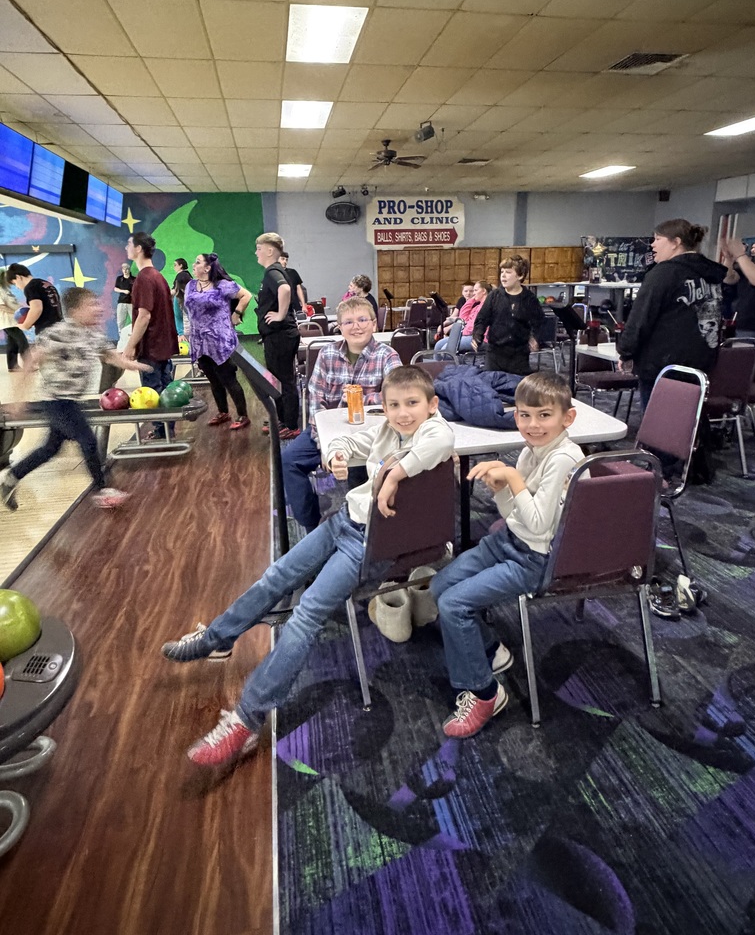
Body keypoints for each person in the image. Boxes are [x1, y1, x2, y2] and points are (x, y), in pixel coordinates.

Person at [160, 365, 454, 769]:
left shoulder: (434, 432)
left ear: (431, 405)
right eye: (394, 405)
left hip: (371, 545)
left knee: (306, 614)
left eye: (413, 404)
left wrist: (393, 474)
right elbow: (356, 439)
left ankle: (247, 719)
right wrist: (337, 453)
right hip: (345, 523)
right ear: (383, 407)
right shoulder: (388, 429)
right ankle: (217, 637)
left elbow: (438, 444)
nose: (404, 413)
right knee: (275, 577)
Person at [431, 372, 583, 738]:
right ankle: (491, 648)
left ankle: (485, 694)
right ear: (514, 416)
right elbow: (514, 516)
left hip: (535, 560)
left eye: (544, 415)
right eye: (525, 415)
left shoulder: (562, 459)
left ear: (567, 418)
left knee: (452, 605)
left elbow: (535, 524)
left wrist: (512, 478)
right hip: (511, 542)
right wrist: (504, 487)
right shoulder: (535, 451)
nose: (533, 425)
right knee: (440, 584)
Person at [0, 287, 150, 512]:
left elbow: (109, 356)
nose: (98, 308)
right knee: (88, 441)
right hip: (56, 401)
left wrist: (132, 364)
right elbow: (31, 359)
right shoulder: (58, 333)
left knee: (51, 449)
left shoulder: (94, 334)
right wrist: (18, 400)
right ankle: (102, 490)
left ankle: (11, 478)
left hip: (71, 400)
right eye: (92, 304)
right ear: (76, 310)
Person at [282, 296, 402, 531]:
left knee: (360, 471)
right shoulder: (328, 355)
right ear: (340, 327)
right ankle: (312, 524)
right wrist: (324, 445)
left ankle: (363, 529)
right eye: (348, 322)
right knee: (289, 461)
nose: (356, 326)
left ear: (374, 324)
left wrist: (360, 399)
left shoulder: (387, 356)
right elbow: (316, 401)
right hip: (327, 433)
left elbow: (397, 397)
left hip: (369, 436)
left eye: (362, 320)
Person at [618, 220, 727, 407]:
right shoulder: (711, 274)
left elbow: (641, 319)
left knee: (659, 428)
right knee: (686, 424)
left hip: (664, 366)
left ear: (675, 242)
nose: (652, 244)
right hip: (702, 362)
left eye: (658, 239)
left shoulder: (664, 273)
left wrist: (625, 352)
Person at [185, 253, 252, 430]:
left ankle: (243, 415)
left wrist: (236, 314)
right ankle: (223, 412)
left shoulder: (223, 285)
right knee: (212, 379)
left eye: (197, 262)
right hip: (200, 341)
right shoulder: (191, 285)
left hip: (220, 340)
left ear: (207, 268)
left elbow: (246, 296)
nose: (193, 264)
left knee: (228, 378)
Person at [122, 232, 179, 437]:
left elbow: (144, 316)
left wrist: (130, 345)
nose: (126, 248)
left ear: (138, 249)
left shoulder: (144, 279)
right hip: (163, 346)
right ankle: (167, 430)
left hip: (152, 348)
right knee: (164, 389)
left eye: (129, 244)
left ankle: (162, 431)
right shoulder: (158, 276)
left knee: (152, 392)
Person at [255, 232, 301, 440]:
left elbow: (284, 289)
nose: (256, 252)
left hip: (281, 336)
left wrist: (281, 315)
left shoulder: (273, 271)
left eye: (259, 248)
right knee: (279, 380)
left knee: (286, 381)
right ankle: (282, 418)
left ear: (270, 250)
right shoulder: (273, 271)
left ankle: (291, 425)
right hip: (277, 336)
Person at [471, 255, 544, 375]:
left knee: (515, 389)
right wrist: (477, 335)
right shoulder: (494, 296)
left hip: (519, 355)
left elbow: (539, 322)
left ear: (520, 276)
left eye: (508, 272)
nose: (503, 275)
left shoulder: (530, 299)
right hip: (495, 353)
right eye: (502, 272)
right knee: (492, 387)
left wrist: (535, 338)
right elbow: (482, 319)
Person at [721, 231, 755, 346]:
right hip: (745, 323)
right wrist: (729, 259)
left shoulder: (751, 264)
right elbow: (729, 278)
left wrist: (740, 255)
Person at [5, 263, 63, 336]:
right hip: (60, 326)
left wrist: (25, 325)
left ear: (18, 277)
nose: (17, 287)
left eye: (15, 283)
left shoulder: (30, 287)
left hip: (47, 331)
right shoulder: (46, 283)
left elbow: (36, 309)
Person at [434, 281, 491, 352]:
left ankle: (452, 362)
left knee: (445, 350)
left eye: (475, 290)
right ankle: (441, 363)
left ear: (484, 291)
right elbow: (463, 317)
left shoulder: (486, 306)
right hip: (469, 335)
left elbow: (474, 326)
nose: (473, 293)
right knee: (438, 345)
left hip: (478, 338)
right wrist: (472, 300)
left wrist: (464, 333)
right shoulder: (478, 306)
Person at [0, 266, 29, 372]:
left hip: (12, 321)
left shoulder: (5, 289)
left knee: (12, 344)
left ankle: (12, 366)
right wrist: (17, 313)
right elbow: (1, 306)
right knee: (23, 342)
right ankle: (28, 365)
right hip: (7, 321)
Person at [171, 258, 192, 337]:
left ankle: (180, 334)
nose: (174, 267)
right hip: (187, 298)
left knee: (178, 315)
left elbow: (175, 289)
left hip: (180, 297)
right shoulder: (188, 274)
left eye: (175, 265)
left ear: (181, 265)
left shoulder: (180, 275)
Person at [113, 262, 135, 334]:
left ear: (129, 270)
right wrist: (124, 291)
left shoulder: (134, 279)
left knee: (134, 320)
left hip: (131, 303)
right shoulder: (119, 279)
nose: (125, 271)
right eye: (123, 269)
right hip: (121, 302)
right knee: (120, 321)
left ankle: (134, 337)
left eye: (126, 269)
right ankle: (121, 337)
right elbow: (115, 289)